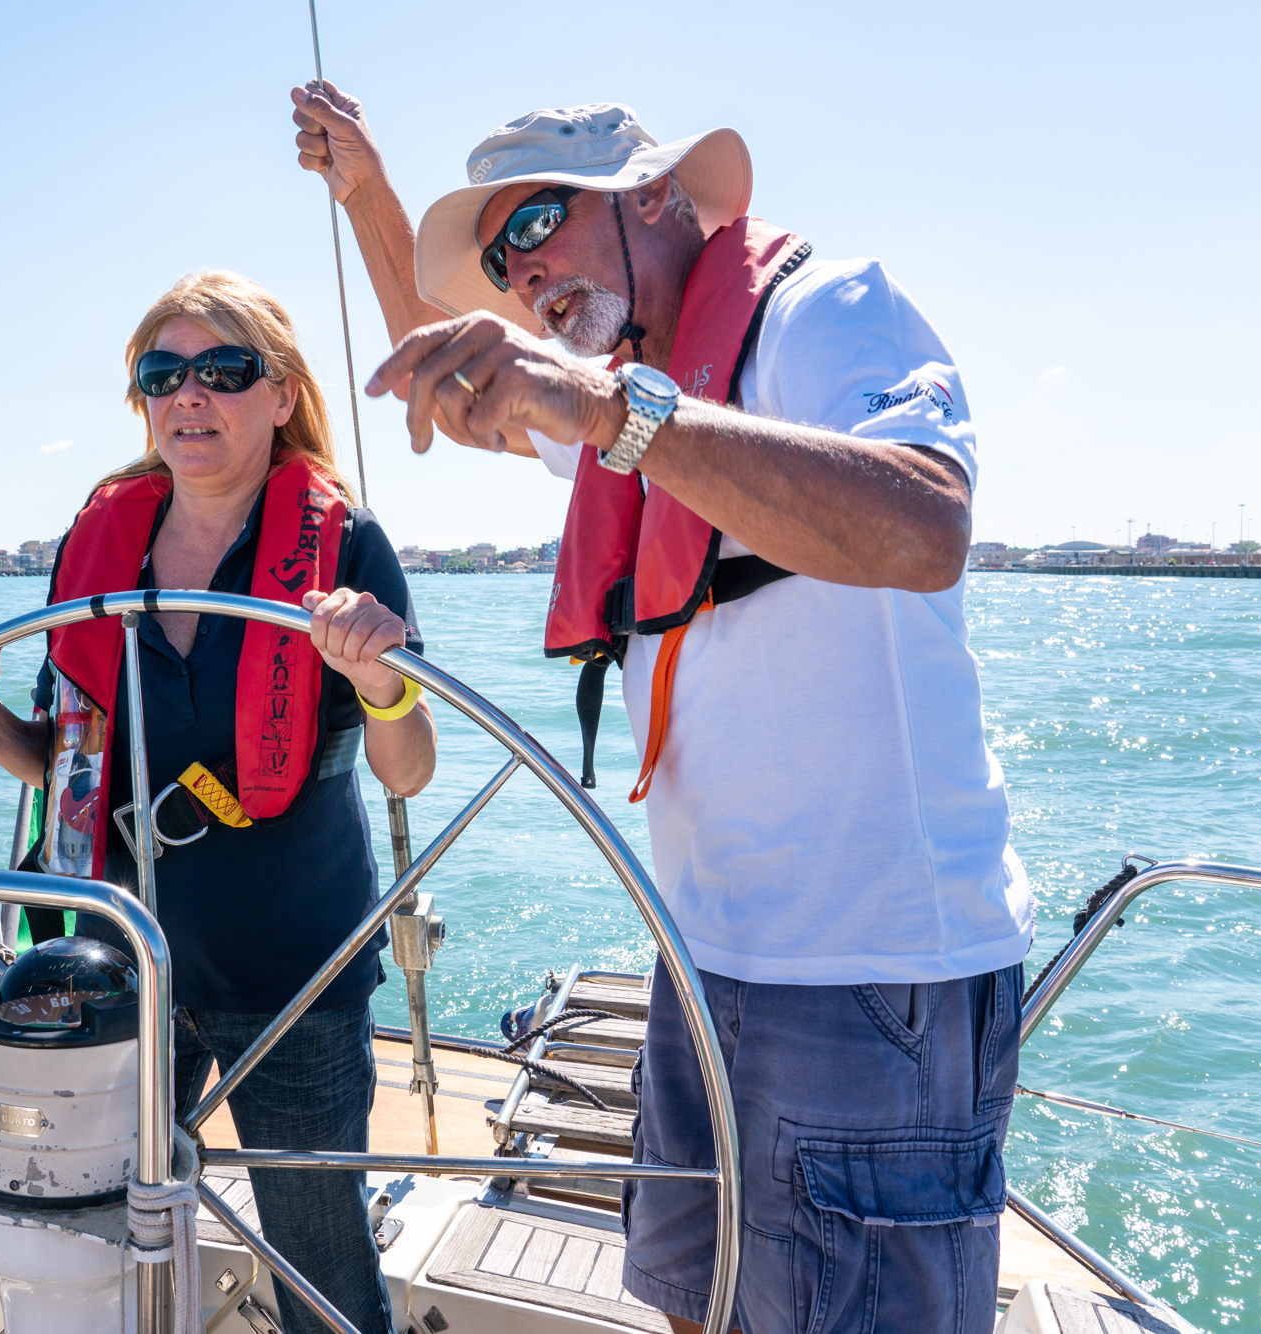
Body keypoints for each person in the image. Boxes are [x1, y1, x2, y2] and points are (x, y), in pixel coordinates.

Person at [294, 85, 1033, 1333]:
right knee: (691, 1306)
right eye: (498, 258)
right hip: (703, 956)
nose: (519, 273)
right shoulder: (627, 390)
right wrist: (366, 189)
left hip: (868, 968)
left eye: (537, 221)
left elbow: (925, 523)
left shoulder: (815, 310)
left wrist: (606, 410)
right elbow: (450, 348)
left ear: (655, 197)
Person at [0, 269, 434, 1334]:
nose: (190, 393)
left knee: (317, 1269)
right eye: (162, 372)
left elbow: (406, 769)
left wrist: (376, 675)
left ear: (280, 395)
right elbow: (71, 771)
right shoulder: (95, 546)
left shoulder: (344, 546)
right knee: (98, 1246)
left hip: (296, 973)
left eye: (224, 369)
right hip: (119, 968)